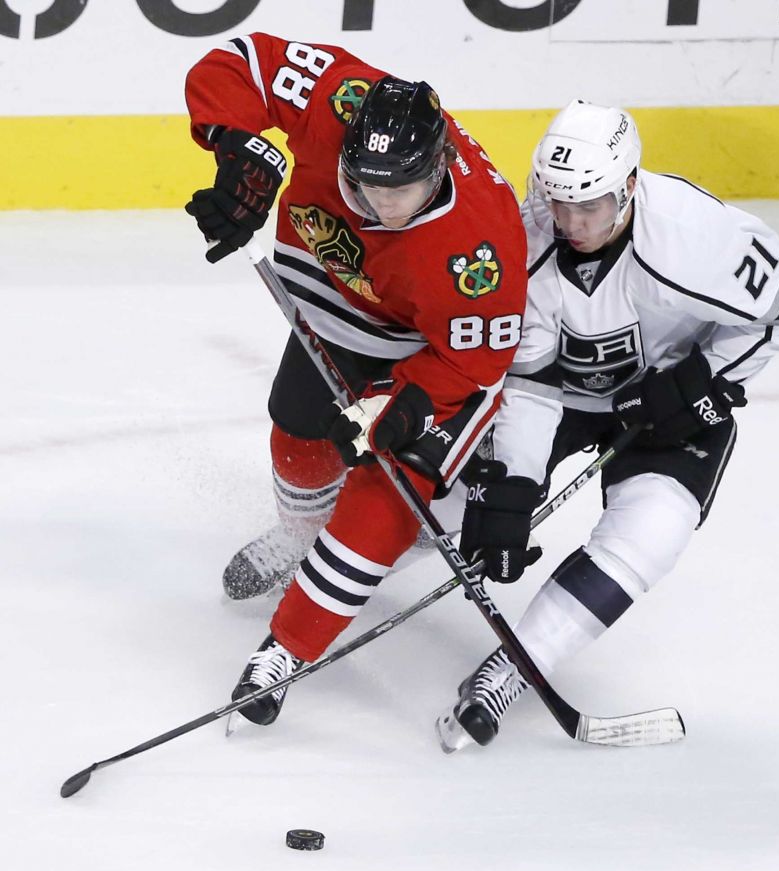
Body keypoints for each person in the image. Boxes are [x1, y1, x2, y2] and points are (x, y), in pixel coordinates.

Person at [435, 101, 779, 753]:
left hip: (664, 402)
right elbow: (527, 382)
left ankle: (513, 671)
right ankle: (334, 555)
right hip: (561, 395)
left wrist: (700, 381)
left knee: (653, 532)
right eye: (559, 205)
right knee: (449, 498)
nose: (573, 224)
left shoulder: (695, 238)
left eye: (592, 206)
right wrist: (517, 485)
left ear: (630, 184)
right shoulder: (522, 241)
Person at [184, 34, 527, 725]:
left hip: (414, 345)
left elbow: (471, 363)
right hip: (329, 309)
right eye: (364, 183)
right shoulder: (341, 99)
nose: (376, 203)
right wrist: (235, 147)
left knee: (383, 474)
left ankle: (295, 634)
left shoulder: (480, 249)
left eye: (398, 189)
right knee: (295, 425)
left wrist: (403, 412)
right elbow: (240, 59)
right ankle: (298, 536)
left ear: (439, 165)